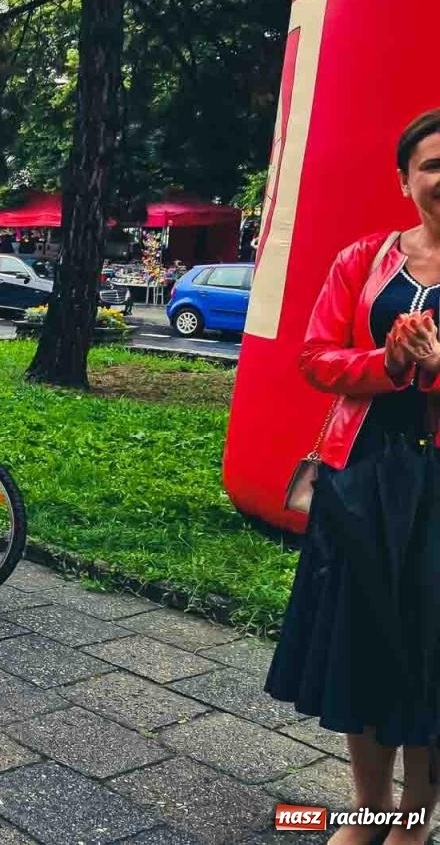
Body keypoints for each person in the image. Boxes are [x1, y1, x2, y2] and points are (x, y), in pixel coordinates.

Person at [265, 108, 440, 845]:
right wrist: (392, 365)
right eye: (432, 163)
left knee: (428, 655)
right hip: (360, 480)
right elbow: (315, 357)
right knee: (361, 650)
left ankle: (413, 820)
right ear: (404, 178)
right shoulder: (363, 260)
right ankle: (368, 812)